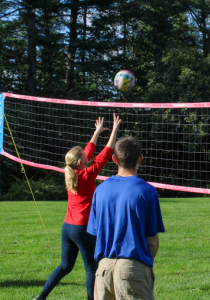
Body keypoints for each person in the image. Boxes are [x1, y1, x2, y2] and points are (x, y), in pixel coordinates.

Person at [33, 114, 121, 300]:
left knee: (65, 266)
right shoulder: (86, 175)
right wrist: (114, 131)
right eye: (83, 155)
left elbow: (89, 152)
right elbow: (105, 154)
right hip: (82, 228)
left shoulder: (71, 172)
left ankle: (41, 297)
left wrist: (96, 133)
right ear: (81, 162)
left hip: (68, 228)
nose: (86, 154)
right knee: (91, 269)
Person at [87, 136, 165, 300]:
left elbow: (95, 233)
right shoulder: (147, 191)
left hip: (103, 270)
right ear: (140, 159)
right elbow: (152, 241)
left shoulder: (100, 190)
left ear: (114, 159)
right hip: (132, 268)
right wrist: (146, 264)